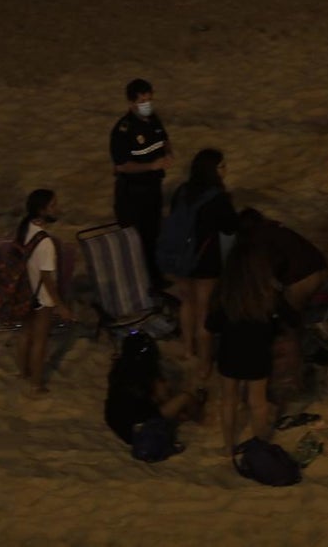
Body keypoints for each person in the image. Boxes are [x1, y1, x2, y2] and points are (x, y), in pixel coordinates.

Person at [166, 149, 238, 380]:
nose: (225, 169)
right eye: (222, 166)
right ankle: (205, 364)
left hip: (180, 259)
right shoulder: (218, 197)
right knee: (204, 312)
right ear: (214, 170)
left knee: (186, 303)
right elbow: (230, 227)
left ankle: (188, 349)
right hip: (206, 261)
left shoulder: (182, 191)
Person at [206, 240, 281, 453]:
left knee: (229, 400)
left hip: (230, 352)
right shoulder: (267, 296)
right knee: (258, 402)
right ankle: (260, 446)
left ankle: (229, 445)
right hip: (258, 353)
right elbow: (277, 326)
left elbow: (211, 325)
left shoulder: (225, 295)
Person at [110, 78, 174, 288]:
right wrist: (151, 166)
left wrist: (168, 153)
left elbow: (164, 139)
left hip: (153, 189)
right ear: (131, 103)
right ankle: (136, 283)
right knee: (134, 241)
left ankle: (154, 279)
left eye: (149, 100)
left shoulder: (153, 119)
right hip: (132, 193)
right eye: (142, 101)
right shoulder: (123, 131)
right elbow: (122, 166)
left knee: (152, 235)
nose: (147, 105)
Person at [15, 189, 75, 395]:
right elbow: (48, 279)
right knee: (40, 340)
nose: (57, 209)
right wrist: (61, 306)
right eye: (52, 206)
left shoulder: (26, 228)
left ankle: (23, 373)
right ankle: (36, 384)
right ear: (42, 211)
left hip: (25, 291)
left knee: (25, 334)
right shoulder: (46, 243)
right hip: (41, 297)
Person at [104, 330, 205, 452]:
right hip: (142, 430)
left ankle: (182, 416)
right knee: (185, 398)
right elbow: (164, 397)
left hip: (119, 425)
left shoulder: (118, 369)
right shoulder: (148, 375)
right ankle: (199, 417)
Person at [237, 208, 328, 311]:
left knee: (288, 316)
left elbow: (271, 267)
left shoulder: (257, 238)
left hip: (303, 279)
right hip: (322, 268)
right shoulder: (274, 228)